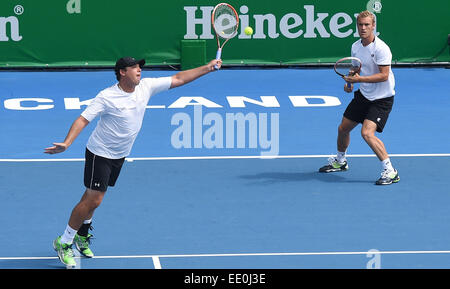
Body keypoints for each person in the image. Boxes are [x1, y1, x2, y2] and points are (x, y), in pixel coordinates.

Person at [45, 56, 222, 267]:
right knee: (95, 199)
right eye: (134, 67)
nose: (139, 70)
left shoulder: (145, 87)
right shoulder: (107, 96)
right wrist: (67, 143)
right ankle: (64, 242)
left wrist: (208, 68)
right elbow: (83, 119)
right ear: (122, 72)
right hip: (100, 153)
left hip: (120, 155)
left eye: (140, 67)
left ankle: (82, 234)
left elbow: (179, 78)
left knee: (92, 197)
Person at [319, 10, 399, 185]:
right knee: (343, 129)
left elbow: (384, 75)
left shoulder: (381, 48)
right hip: (364, 95)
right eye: (360, 25)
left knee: (367, 133)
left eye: (367, 25)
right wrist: (350, 83)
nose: (363, 28)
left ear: (373, 26)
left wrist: (359, 79)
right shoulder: (355, 47)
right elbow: (356, 68)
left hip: (382, 99)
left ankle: (390, 171)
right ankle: (341, 161)